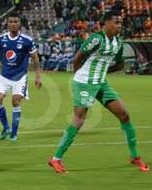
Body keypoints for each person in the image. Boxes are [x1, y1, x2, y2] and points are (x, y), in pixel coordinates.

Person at [48, 11, 148, 174]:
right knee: (79, 120)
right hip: (84, 83)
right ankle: (56, 158)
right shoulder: (96, 39)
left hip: (101, 83)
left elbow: (120, 64)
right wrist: (81, 78)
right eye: (116, 22)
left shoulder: (118, 43)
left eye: (121, 23)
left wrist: (102, 73)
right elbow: (77, 59)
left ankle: (134, 156)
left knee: (124, 115)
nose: (119, 26)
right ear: (106, 23)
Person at [0, 13, 42, 141]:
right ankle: (6, 128)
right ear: (7, 24)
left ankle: (14, 133)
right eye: (11, 22)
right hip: (4, 76)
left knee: (15, 101)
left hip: (20, 77)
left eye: (16, 22)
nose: (13, 24)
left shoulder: (27, 40)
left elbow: (35, 58)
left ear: (19, 24)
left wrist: (38, 76)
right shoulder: (1, 40)